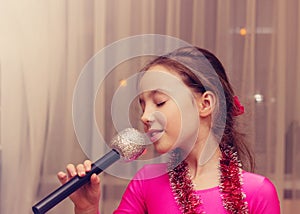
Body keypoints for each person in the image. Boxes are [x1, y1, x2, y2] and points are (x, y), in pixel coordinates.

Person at [57, 46, 280, 214]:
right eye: (142, 104)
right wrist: (87, 209)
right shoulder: (146, 181)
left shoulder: (257, 191)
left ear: (205, 104)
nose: (144, 116)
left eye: (160, 101)